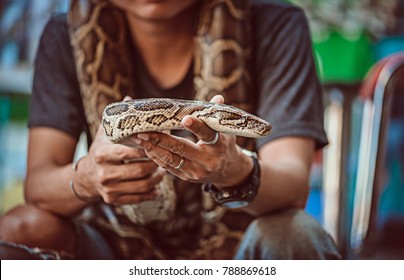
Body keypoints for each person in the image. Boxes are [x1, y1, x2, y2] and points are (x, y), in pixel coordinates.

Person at [0, 0, 341, 259]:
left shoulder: (275, 23)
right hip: (114, 244)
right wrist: (87, 178)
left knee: (295, 233)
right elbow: (39, 186)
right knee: (22, 226)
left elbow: (293, 185)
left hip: (240, 248)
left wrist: (233, 170)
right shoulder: (66, 33)